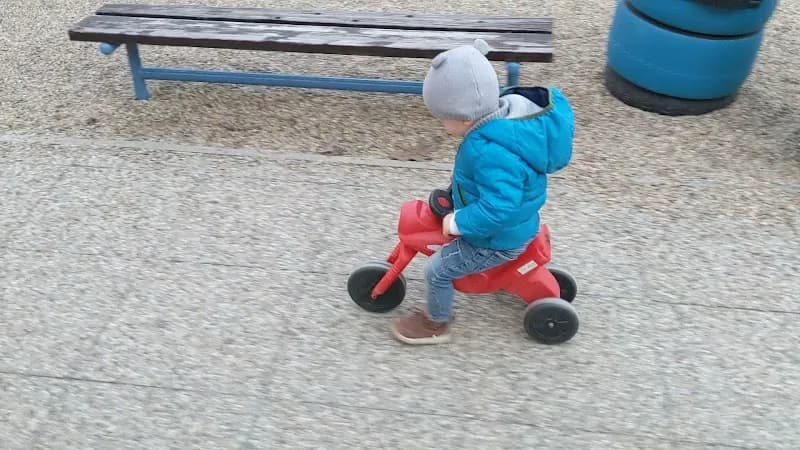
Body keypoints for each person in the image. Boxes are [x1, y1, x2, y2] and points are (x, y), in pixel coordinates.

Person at [391, 39, 575, 345]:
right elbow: (486, 183)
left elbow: (500, 205)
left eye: (443, 118)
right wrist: (456, 194)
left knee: (438, 270)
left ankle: (436, 323)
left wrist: (459, 222)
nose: (442, 125)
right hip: (513, 224)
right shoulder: (501, 124)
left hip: (497, 239)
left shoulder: (489, 150)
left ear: (464, 116)